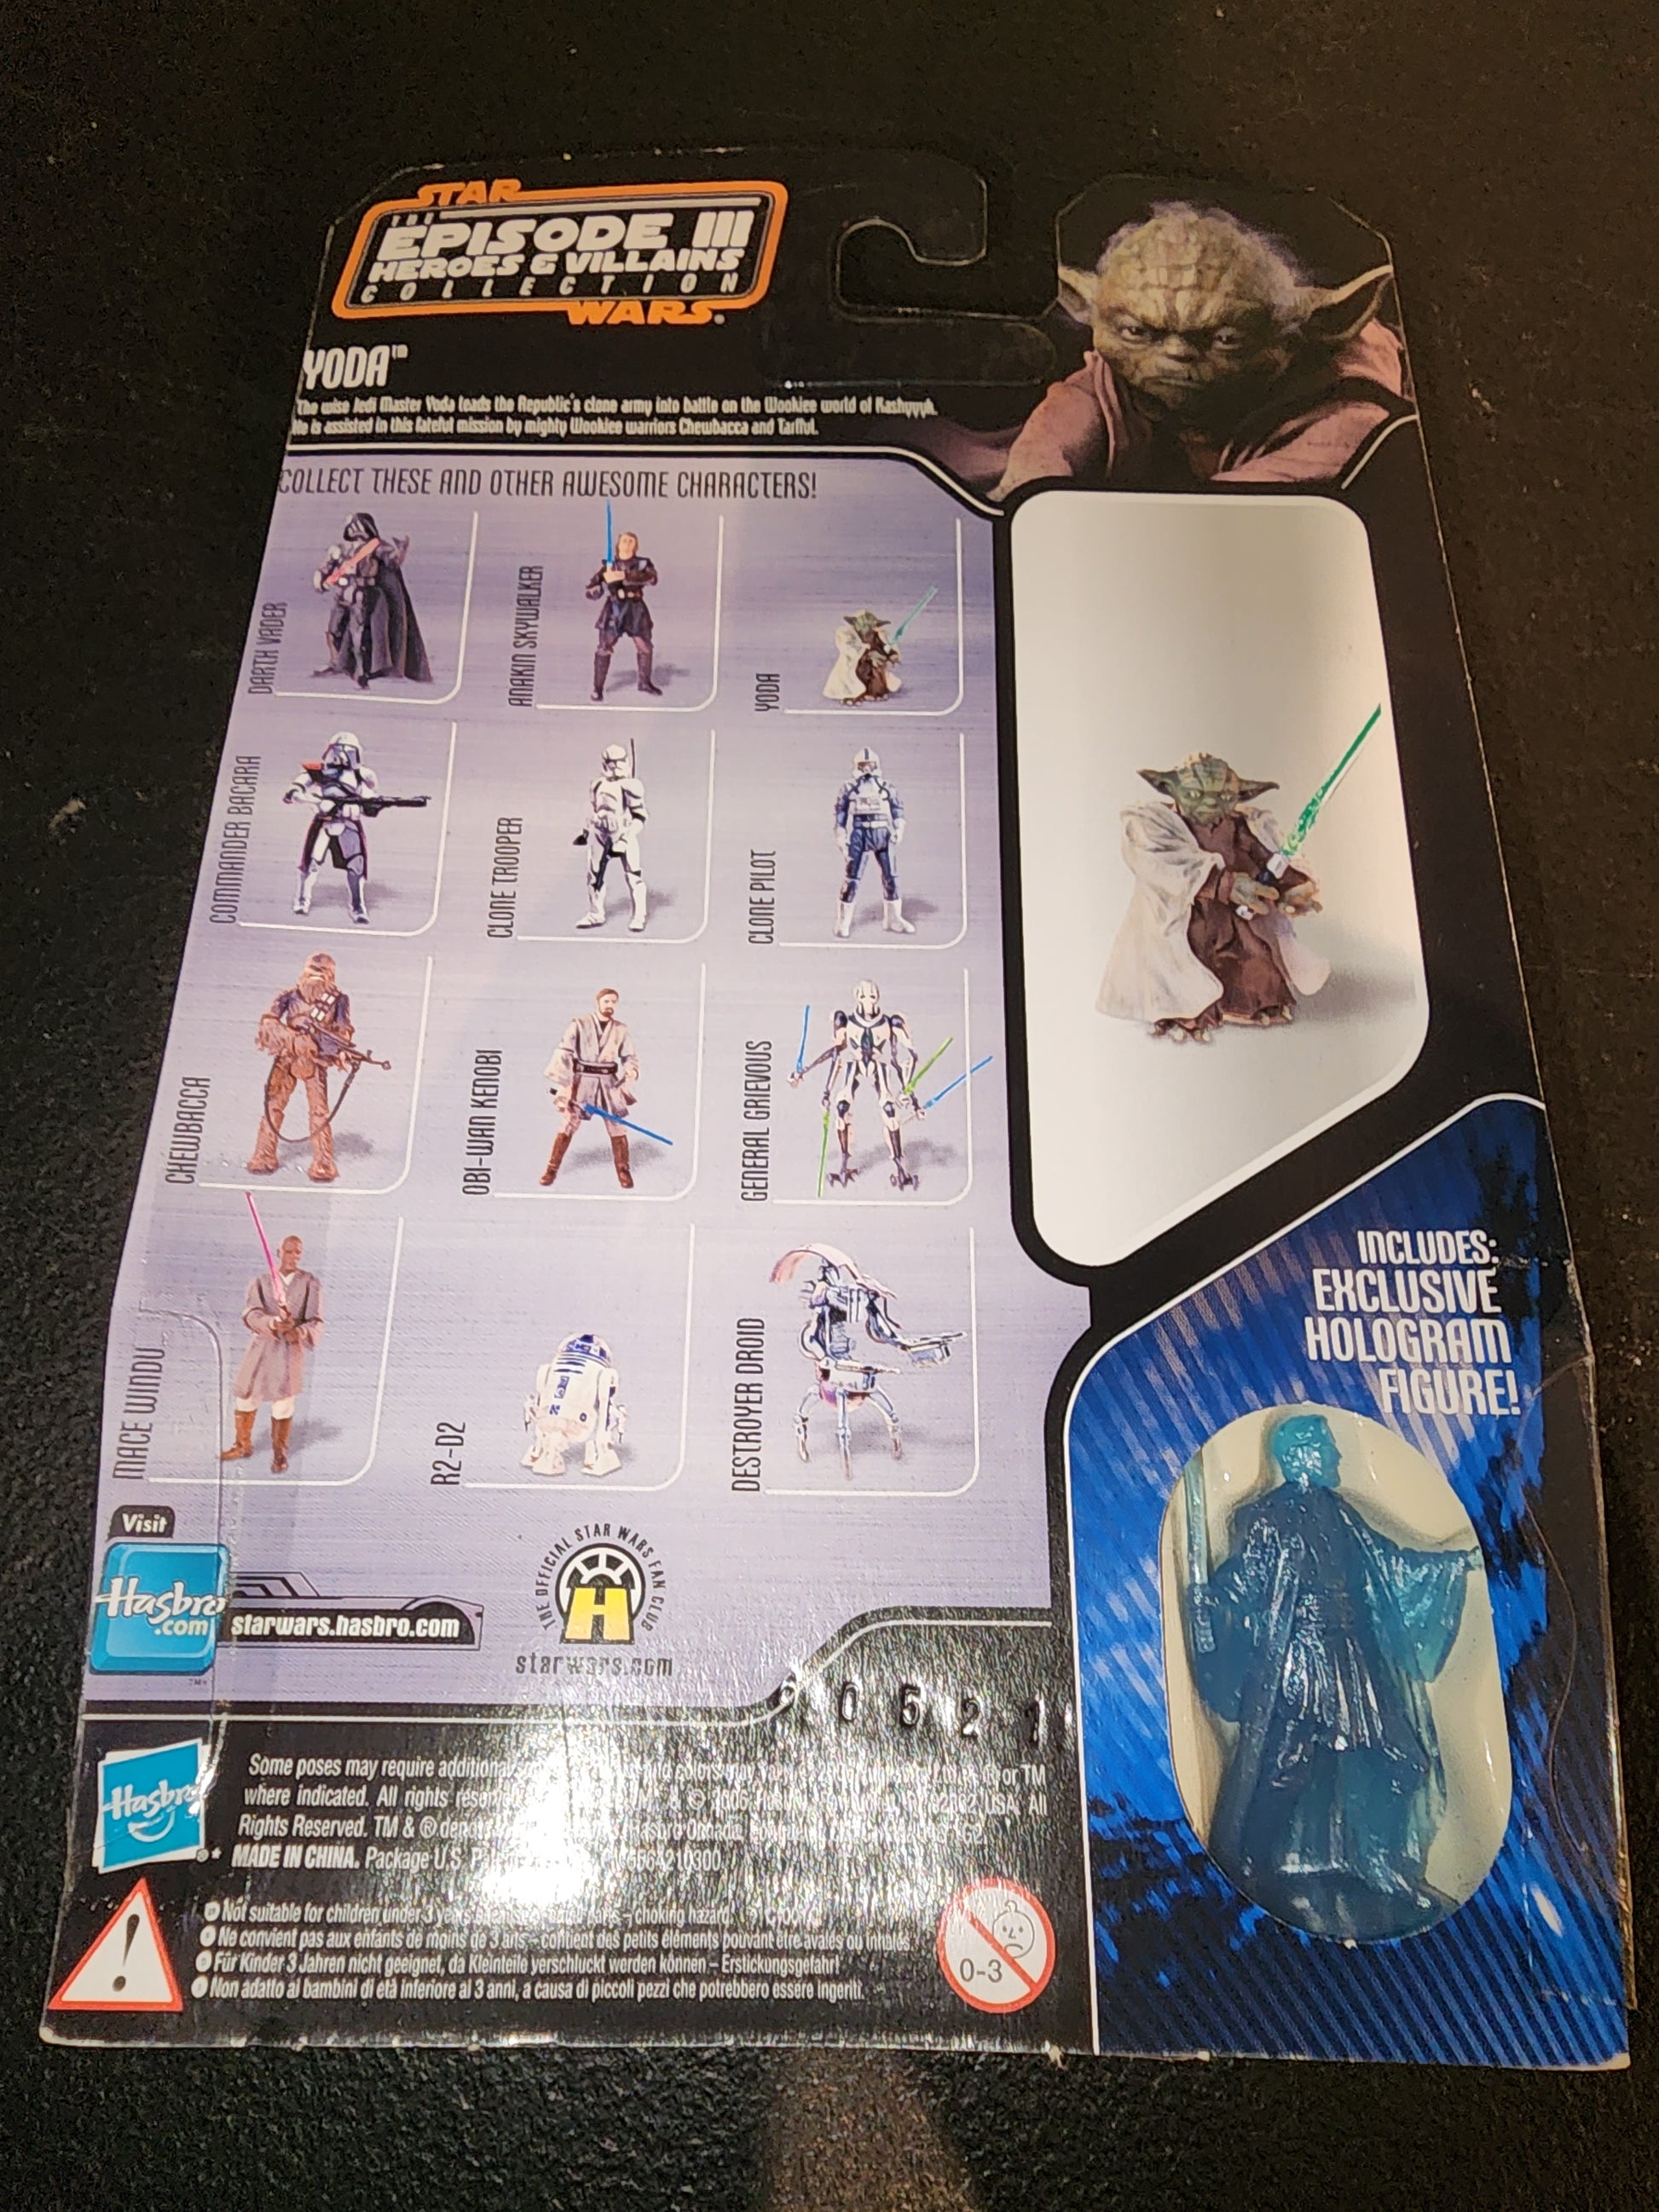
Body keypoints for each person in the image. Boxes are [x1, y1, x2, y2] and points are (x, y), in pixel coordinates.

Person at [1184, 1411, 1479, 1940]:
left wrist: (1452, 1564)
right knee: (1285, 1767)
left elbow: (1386, 1562)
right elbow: (1244, 1582)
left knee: (1403, 1758)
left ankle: (1380, 1861)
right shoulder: (1266, 1518)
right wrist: (1209, 1600)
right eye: (1326, 1448)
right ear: (1300, 1456)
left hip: (1349, 1658)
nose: (1337, 1456)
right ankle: (1249, 1865)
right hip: (1298, 1660)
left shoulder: (1338, 1512)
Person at [1097, 753, 1327, 1041]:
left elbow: (1267, 856)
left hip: (1234, 919)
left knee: (1254, 962)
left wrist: (1292, 887)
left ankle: (1254, 1004)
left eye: (1225, 797)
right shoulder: (1155, 825)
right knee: (1181, 970)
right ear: (1169, 788)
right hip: (1186, 917)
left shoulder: (1239, 825)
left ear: (1241, 795)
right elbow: (1162, 864)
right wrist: (1223, 884)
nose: (1211, 804)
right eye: (1195, 794)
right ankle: (1182, 1016)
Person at [770, 1243, 959, 1479]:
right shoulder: (821, 1300)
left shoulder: (844, 1296)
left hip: (846, 1363)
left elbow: (872, 1319)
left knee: (884, 1403)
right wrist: (825, 1358)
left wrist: (902, 1342)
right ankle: (823, 1452)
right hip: (830, 1369)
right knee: (815, 1408)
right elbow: (810, 1336)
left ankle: (896, 1438)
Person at [790, 979, 922, 1190]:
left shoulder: (889, 1023)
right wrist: (812, 1078)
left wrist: (911, 1095)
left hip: (878, 1067)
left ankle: (900, 1169)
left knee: (890, 1112)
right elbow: (836, 1052)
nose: (868, 1001)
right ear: (857, 997)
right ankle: (844, 1165)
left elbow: (902, 1059)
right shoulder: (846, 1022)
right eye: (864, 996)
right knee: (841, 1109)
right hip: (855, 1065)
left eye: (872, 996)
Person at [247, 951, 355, 1182]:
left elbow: (343, 1030)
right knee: (273, 1106)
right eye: (313, 969)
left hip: (315, 1061)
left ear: (331, 975)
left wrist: (339, 1049)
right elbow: (268, 1023)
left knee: (319, 1113)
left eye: (322, 971)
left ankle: (323, 1163)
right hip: (286, 1057)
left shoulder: (339, 1000)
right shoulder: (288, 995)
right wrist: (293, 1039)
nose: (317, 974)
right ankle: (264, 1155)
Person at [220, 1233, 322, 1473]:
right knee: (245, 1396)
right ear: (279, 1253)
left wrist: (298, 1331)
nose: (293, 1256)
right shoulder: (261, 1282)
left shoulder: (310, 1283)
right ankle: (242, 1445)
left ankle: (280, 1454)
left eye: (297, 1252)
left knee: (283, 1402)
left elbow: (316, 1320)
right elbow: (250, 1314)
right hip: (261, 1349)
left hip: (288, 1351)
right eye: (288, 1251)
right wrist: (272, 1322)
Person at [312, 512, 432, 688]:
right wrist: (319, 582)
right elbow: (324, 568)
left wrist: (400, 551)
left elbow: (392, 561)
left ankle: (361, 672)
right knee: (334, 631)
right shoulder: (338, 549)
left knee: (359, 635)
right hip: (342, 594)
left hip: (363, 594)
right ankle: (337, 663)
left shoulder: (376, 547)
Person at [541, 986, 640, 1189]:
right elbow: (564, 1051)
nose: (610, 1005)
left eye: (614, 1002)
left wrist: (631, 1071)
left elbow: (629, 1056)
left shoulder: (621, 1029)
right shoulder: (579, 1024)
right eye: (606, 1001)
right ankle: (551, 1169)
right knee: (569, 1123)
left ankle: (623, 1170)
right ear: (598, 1002)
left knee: (617, 1124)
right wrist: (564, 1084)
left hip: (608, 1083)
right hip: (582, 1081)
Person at [522, 1333, 627, 1478]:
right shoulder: (602, 1372)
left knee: (549, 1429)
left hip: (549, 1417)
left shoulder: (554, 1366)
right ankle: (596, 1454)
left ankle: (538, 1451)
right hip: (577, 1422)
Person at [833, 748, 913, 937]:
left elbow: (898, 810)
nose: (867, 769)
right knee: (852, 878)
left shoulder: (886, 786)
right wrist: (841, 839)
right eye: (863, 766)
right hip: (860, 834)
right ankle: (843, 922)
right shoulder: (849, 788)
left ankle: (893, 919)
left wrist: (899, 830)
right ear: (857, 767)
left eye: (870, 765)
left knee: (891, 877)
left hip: (883, 833)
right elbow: (840, 815)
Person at [575, 742, 648, 932]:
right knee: (594, 874)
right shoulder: (598, 784)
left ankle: (639, 916)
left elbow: (640, 817)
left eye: (618, 762)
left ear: (625, 762)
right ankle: (595, 913)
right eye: (610, 762)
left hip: (623, 832)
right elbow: (593, 809)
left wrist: (625, 838)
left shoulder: (630, 786)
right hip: (600, 833)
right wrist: (585, 832)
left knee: (633, 876)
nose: (614, 766)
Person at [586, 530, 660, 698]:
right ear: (618, 545)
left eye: (631, 541)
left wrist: (624, 575)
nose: (627, 544)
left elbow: (651, 578)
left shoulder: (643, 564)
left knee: (645, 647)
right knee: (604, 648)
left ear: (636, 546)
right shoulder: (609, 566)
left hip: (636, 610)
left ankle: (644, 683)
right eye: (625, 541)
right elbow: (592, 588)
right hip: (614, 611)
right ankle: (598, 688)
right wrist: (596, 589)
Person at [824, 609, 901, 704]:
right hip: (855, 667)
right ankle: (854, 696)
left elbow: (886, 649)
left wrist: (892, 655)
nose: (866, 629)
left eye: (869, 626)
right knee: (854, 680)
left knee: (876, 671)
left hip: (874, 670)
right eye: (863, 625)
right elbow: (850, 650)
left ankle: (875, 692)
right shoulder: (848, 635)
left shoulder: (877, 636)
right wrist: (868, 654)